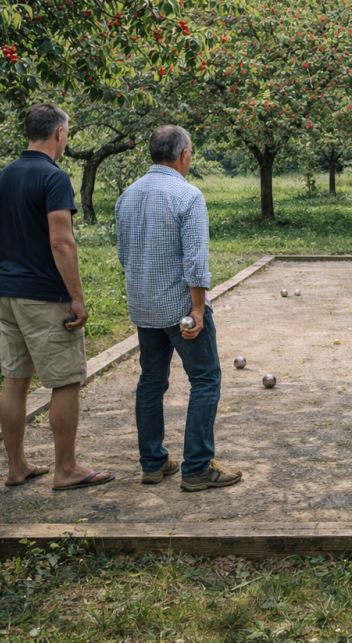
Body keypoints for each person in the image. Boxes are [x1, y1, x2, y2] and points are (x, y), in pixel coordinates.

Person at [0, 103, 113, 491]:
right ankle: (66, 468)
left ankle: (17, 467)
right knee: (66, 380)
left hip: (8, 292)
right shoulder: (54, 177)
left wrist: (7, 280)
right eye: (67, 132)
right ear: (59, 132)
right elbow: (60, 240)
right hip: (45, 295)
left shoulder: (2, 177)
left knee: (14, 380)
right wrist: (77, 297)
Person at [116, 125, 242, 491]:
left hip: (144, 308)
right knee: (205, 379)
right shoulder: (187, 195)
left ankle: (153, 463)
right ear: (184, 155)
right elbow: (196, 262)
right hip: (181, 310)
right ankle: (197, 466)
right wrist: (198, 310)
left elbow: (124, 254)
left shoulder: (127, 195)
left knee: (151, 381)